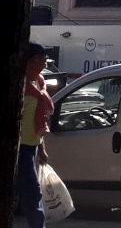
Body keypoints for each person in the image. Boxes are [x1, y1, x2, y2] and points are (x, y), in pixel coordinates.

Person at [19, 41, 54, 228]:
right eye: (42, 59)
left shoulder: (39, 83)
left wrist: (42, 149)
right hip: (20, 149)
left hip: (31, 147)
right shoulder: (20, 88)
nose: (45, 63)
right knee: (33, 193)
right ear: (30, 62)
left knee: (29, 193)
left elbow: (39, 120)